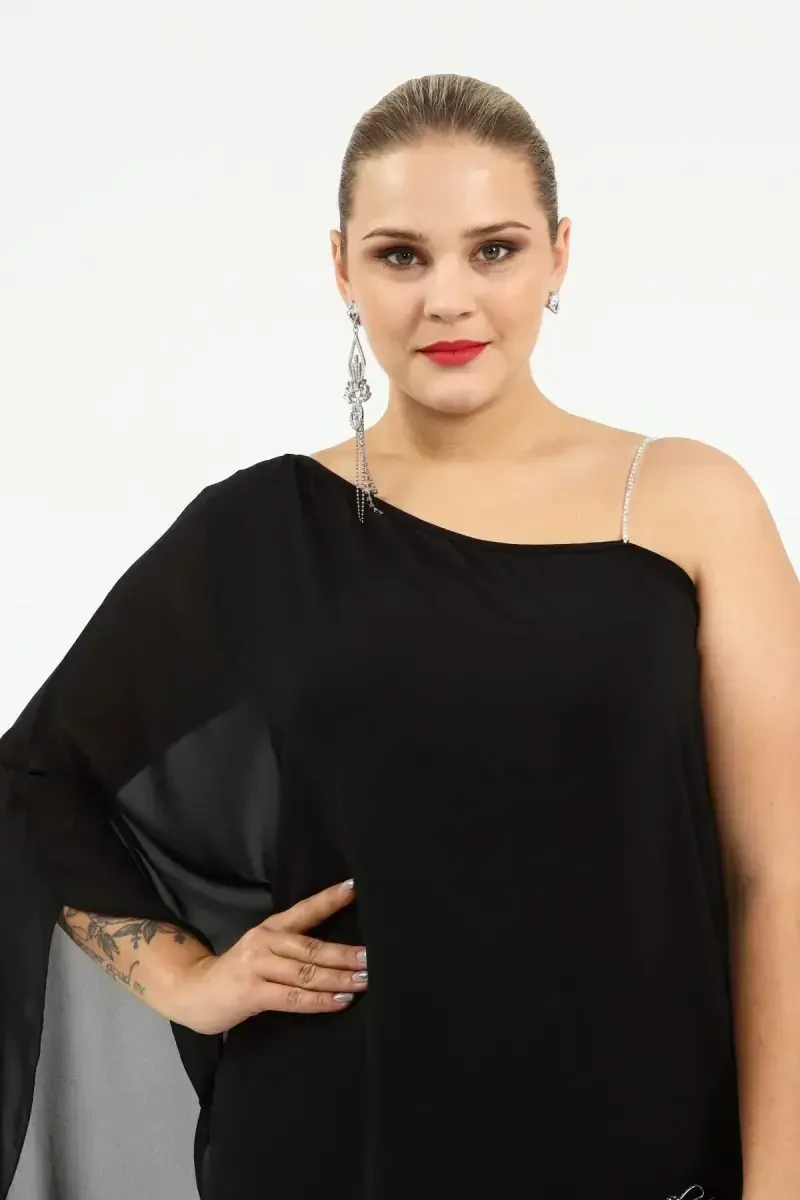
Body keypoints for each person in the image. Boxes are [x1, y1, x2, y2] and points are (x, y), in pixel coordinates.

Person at [1, 71, 799, 1200]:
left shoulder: (687, 502)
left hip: (638, 1143)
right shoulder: (262, 529)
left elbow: (777, 876)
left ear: (560, 255)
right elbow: (38, 778)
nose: (447, 300)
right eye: (400, 256)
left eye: (494, 250)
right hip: (336, 1144)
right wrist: (186, 979)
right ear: (343, 269)